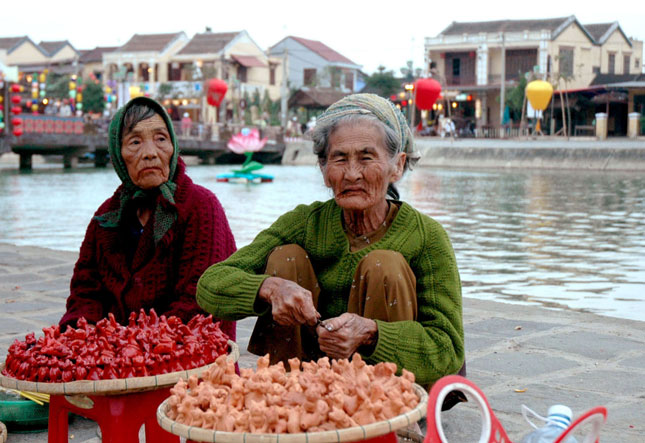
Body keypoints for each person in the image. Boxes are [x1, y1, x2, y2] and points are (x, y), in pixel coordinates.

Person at [197, 93, 464, 387]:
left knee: (384, 265)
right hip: (307, 383)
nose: (351, 174)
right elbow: (210, 286)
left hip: (387, 392)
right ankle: (288, 393)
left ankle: (385, 408)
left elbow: (448, 350)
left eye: (366, 157)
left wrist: (371, 332)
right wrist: (270, 288)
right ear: (324, 170)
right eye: (339, 159)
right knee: (286, 258)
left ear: (396, 167)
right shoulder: (305, 223)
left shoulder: (427, 237)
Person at [60, 96, 237, 343]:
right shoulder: (106, 217)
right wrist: (85, 334)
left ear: (173, 146)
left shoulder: (201, 207)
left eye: (161, 139)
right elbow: (84, 294)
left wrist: (134, 344)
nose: (150, 154)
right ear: (118, 155)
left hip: (186, 360)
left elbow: (200, 301)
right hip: (119, 359)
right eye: (134, 142)